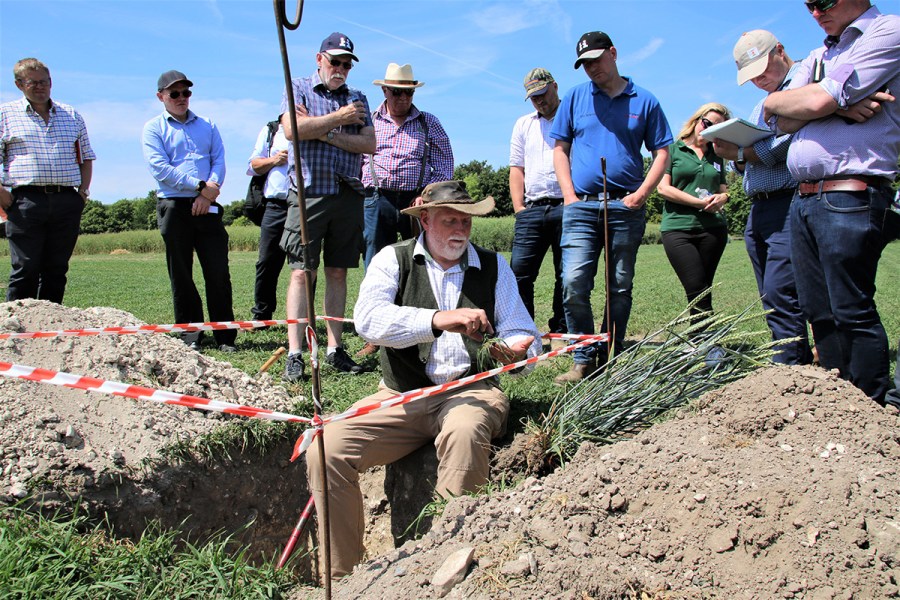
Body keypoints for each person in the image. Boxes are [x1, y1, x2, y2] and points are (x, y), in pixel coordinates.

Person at [305, 180, 541, 577]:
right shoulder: (392, 259)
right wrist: (436, 320)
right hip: (401, 394)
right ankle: (344, 577)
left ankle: (451, 563)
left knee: (464, 432)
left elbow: (523, 331)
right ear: (425, 220)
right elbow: (368, 321)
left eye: (466, 221)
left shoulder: (493, 265)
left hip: (471, 390)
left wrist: (515, 351)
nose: (460, 230)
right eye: (450, 220)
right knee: (326, 448)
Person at [762, 0, 899, 403]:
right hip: (805, 197)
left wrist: (820, 103)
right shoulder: (820, 55)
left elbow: (814, 102)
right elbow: (776, 116)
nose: (815, 12)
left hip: (850, 192)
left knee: (850, 309)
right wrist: (838, 106)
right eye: (808, 5)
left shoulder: (886, 31)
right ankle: (837, 406)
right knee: (818, 311)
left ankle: (871, 407)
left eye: (823, 1)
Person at [550, 31, 673, 383]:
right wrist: (569, 195)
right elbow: (560, 149)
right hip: (581, 207)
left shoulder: (645, 100)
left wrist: (643, 193)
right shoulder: (575, 98)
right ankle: (583, 357)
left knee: (619, 285)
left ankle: (610, 353)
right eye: (584, 64)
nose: (591, 68)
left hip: (626, 206)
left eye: (596, 60)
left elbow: (662, 151)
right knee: (573, 281)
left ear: (613, 53)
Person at [279, 32, 376, 381]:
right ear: (319, 59)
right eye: (335, 61)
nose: (341, 69)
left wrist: (322, 131)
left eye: (347, 64)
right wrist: (340, 118)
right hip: (308, 193)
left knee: (338, 272)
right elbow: (292, 129)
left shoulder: (358, 98)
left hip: (347, 193)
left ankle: (335, 349)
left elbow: (369, 144)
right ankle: (295, 353)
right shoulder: (299, 88)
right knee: (302, 272)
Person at [712, 30, 812, 365]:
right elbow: (747, 161)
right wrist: (739, 156)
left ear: (780, 50)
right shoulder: (760, 104)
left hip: (789, 200)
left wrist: (741, 152)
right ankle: (790, 357)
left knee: (782, 288)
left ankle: (789, 363)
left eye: (762, 70)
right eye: (751, 77)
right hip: (760, 205)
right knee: (769, 293)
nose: (759, 80)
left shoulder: (803, 84)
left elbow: (785, 143)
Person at [142, 70, 237, 352]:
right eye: (174, 94)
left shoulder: (208, 125)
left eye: (186, 93)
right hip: (174, 205)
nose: (181, 98)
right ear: (161, 97)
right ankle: (190, 335)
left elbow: (218, 160)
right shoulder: (153, 128)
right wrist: (199, 187)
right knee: (182, 273)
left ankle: (225, 337)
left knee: (218, 272)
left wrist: (209, 192)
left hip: (208, 204)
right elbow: (160, 168)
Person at [0, 58, 95, 303]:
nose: (40, 87)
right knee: (26, 268)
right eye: (33, 82)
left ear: (51, 82)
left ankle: (52, 324)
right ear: (19, 84)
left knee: (56, 269)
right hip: (25, 200)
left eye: (44, 81)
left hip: (66, 199)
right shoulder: (5, 114)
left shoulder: (71, 115)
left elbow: (86, 157)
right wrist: (3, 197)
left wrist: (82, 192)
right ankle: (18, 325)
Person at [361, 62, 453, 268]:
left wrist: (427, 195)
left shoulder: (428, 122)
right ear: (385, 90)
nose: (403, 97)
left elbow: (444, 165)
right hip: (376, 198)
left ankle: (417, 290)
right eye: (397, 92)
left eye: (409, 92)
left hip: (415, 201)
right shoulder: (369, 121)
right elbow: (356, 160)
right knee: (375, 260)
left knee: (420, 259)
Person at [657, 103, 731, 322]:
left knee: (703, 288)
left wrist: (724, 198)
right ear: (696, 120)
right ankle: (704, 338)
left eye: (716, 128)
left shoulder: (717, 155)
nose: (708, 129)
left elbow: (723, 190)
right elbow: (663, 188)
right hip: (678, 228)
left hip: (713, 230)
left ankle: (700, 337)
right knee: (696, 286)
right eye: (706, 123)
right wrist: (698, 203)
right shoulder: (672, 150)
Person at [509, 68, 567, 338]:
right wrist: (518, 208)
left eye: (543, 93)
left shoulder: (572, 117)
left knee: (566, 275)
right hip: (531, 209)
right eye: (533, 97)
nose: (539, 101)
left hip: (567, 206)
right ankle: (523, 331)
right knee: (518, 273)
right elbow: (516, 168)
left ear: (554, 86)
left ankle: (561, 331)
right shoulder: (523, 124)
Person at [247, 119, 291, 321]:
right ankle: (262, 314)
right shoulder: (271, 130)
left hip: (304, 205)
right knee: (267, 261)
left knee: (303, 265)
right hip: (275, 205)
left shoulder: (311, 126)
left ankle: (301, 318)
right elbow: (254, 165)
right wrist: (274, 160)